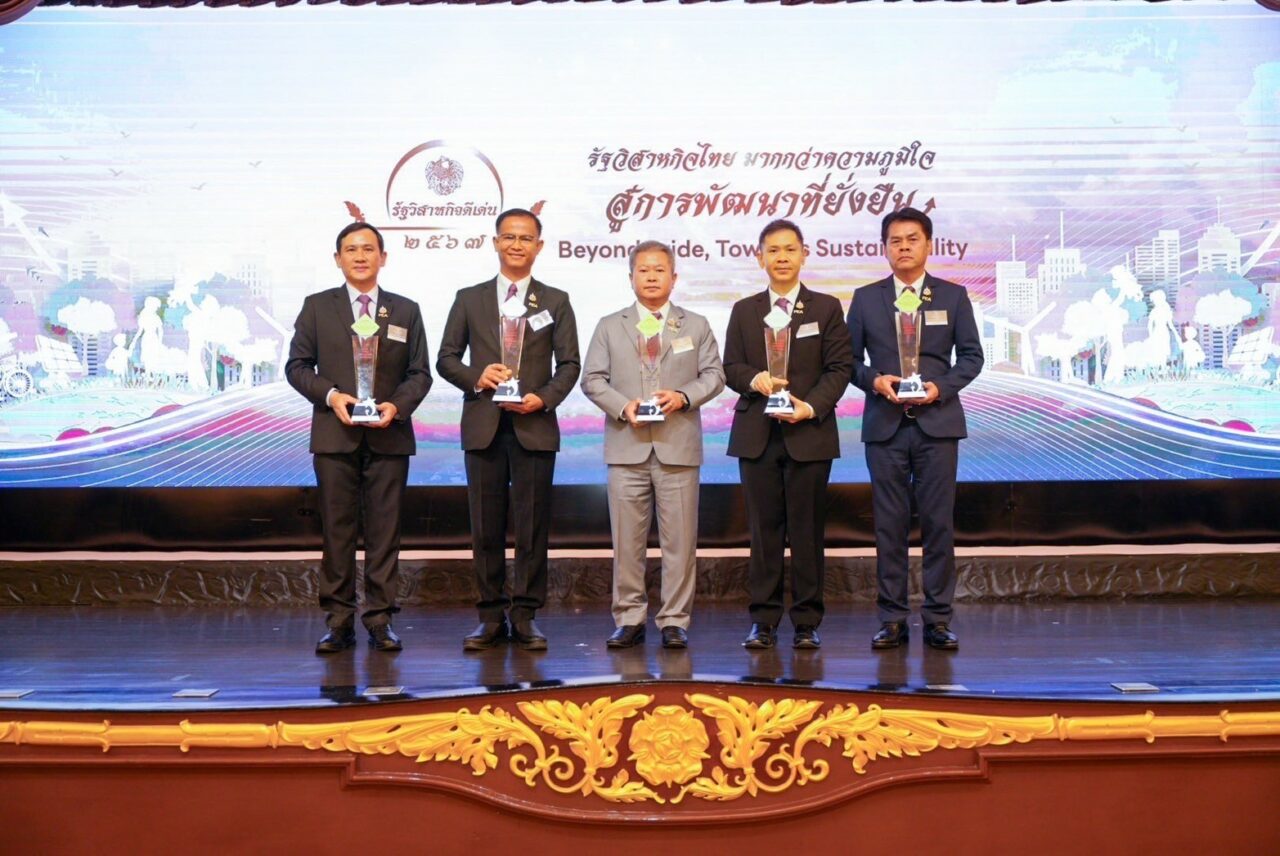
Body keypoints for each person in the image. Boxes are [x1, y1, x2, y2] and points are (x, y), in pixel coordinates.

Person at [437, 208, 581, 651]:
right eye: (509, 237)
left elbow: (570, 364)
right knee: (485, 527)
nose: (517, 244)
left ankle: (525, 615)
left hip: (533, 425)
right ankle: (489, 616)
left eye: (526, 238)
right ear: (495, 242)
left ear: (539, 246)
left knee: (533, 526)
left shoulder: (556, 300)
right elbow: (445, 358)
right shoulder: (469, 298)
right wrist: (477, 377)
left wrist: (543, 398)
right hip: (484, 424)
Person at [286, 221, 432, 654]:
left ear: (383, 257)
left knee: (385, 532)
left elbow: (419, 373)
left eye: (369, 248)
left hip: (390, 437)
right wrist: (331, 396)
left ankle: (381, 619)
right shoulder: (317, 307)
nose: (360, 256)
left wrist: (396, 407)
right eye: (351, 249)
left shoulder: (405, 310)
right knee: (337, 532)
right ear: (338, 259)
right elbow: (297, 367)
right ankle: (338, 621)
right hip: (335, 437)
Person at [847, 207, 983, 651]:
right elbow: (848, 361)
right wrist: (874, 381)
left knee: (938, 525)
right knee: (889, 526)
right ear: (884, 248)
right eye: (895, 241)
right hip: (884, 426)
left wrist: (940, 388)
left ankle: (938, 618)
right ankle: (892, 618)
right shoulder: (866, 299)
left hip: (937, 425)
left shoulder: (953, 296)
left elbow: (972, 357)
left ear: (928, 245)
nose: (903, 247)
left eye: (912, 239)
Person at [581, 240, 725, 649]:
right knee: (627, 542)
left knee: (680, 541)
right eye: (643, 270)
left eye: (659, 270)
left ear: (673, 277)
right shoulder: (610, 325)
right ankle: (629, 618)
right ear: (631, 277)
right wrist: (622, 406)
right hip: (626, 446)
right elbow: (592, 379)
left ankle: (675, 620)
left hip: (677, 447)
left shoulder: (695, 325)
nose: (651, 276)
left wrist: (682, 396)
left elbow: (714, 375)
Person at [723, 219, 853, 650]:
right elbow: (730, 367)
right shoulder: (744, 310)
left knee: (807, 532)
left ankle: (806, 622)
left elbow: (839, 368)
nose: (782, 257)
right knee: (764, 533)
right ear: (759, 257)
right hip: (757, 434)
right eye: (773, 250)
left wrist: (809, 407)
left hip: (809, 433)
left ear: (804, 254)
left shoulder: (826, 308)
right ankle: (763, 621)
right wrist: (753, 378)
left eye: (790, 249)